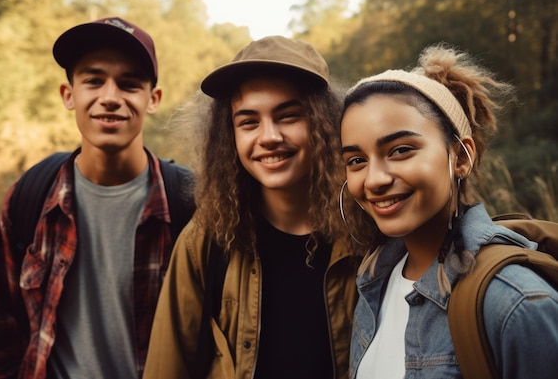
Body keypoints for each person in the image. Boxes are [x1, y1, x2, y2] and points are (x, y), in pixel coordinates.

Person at [0, 17, 194, 379]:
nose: (109, 97)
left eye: (129, 84)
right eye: (93, 81)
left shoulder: (190, 204)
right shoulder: (31, 197)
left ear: (153, 99)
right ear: (68, 95)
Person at [143, 36, 362, 379]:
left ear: (323, 122)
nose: (269, 136)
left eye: (288, 116)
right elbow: (167, 367)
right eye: (248, 122)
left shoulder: (365, 231)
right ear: (228, 136)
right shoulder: (206, 241)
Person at [339, 43, 558, 378]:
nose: (375, 180)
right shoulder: (373, 282)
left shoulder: (517, 304)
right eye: (356, 160)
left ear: (459, 156)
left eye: (400, 150)